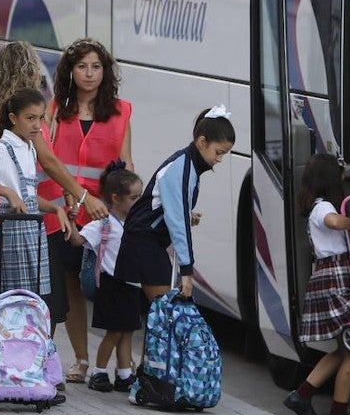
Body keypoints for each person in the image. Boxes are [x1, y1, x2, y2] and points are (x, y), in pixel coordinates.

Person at [0, 40, 107, 344]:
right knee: (43, 300)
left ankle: (25, 364)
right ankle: (36, 365)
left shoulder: (2, 116)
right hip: (29, 223)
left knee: (25, 299)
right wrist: (83, 195)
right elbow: (48, 161)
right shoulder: (24, 119)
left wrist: (61, 201)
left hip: (24, 217)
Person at [43, 37, 133, 384]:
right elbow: (48, 161)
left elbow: (125, 166)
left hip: (104, 215)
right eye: (82, 66)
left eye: (96, 66)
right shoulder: (56, 109)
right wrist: (65, 196)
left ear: (105, 71)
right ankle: (81, 359)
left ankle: (118, 360)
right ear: (70, 70)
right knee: (72, 287)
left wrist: (123, 211)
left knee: (112, 287)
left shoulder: (121, 111)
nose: (89, 73)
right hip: (66, 212)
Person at [282, 154, 350, 415]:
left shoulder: (319, 206)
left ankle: (302, 396)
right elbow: (334, 222)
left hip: (333, 274)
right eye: (340, 174)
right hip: (335, 276)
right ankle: (336, 412)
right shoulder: (322, 207)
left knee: (348, 346)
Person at [117, 106, 235, 304]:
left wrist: (186, 215)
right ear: (202, 142)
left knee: (139, 325)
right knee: (167, 316)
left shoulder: (186, 164)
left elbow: (170, 209)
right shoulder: (183, 169)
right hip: (145, 243)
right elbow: (177, 221)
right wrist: (187, 271)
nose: (220, 159)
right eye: (218, 152)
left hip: (143, 240)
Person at [0, 88, 72, 300]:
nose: (37, 125)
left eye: (41, 118)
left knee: (33, 299)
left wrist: (55, 208)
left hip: (31, 230)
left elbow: (27, 197)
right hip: (13, 233)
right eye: (30, 118)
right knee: (14, 299)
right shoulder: (2, 148)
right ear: (13, 118)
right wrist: (5, 191)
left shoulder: (29, 147)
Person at [65, 163, 144, 393]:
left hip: (130, 284)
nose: (139, 202)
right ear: (116, 198)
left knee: (128, 329)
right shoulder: (103, 224)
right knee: (115, 331)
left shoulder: (134, 222)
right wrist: (71, 220)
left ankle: (124, 374)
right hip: (111, 285)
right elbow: (78, 241)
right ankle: (99, 372)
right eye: (134, 197)